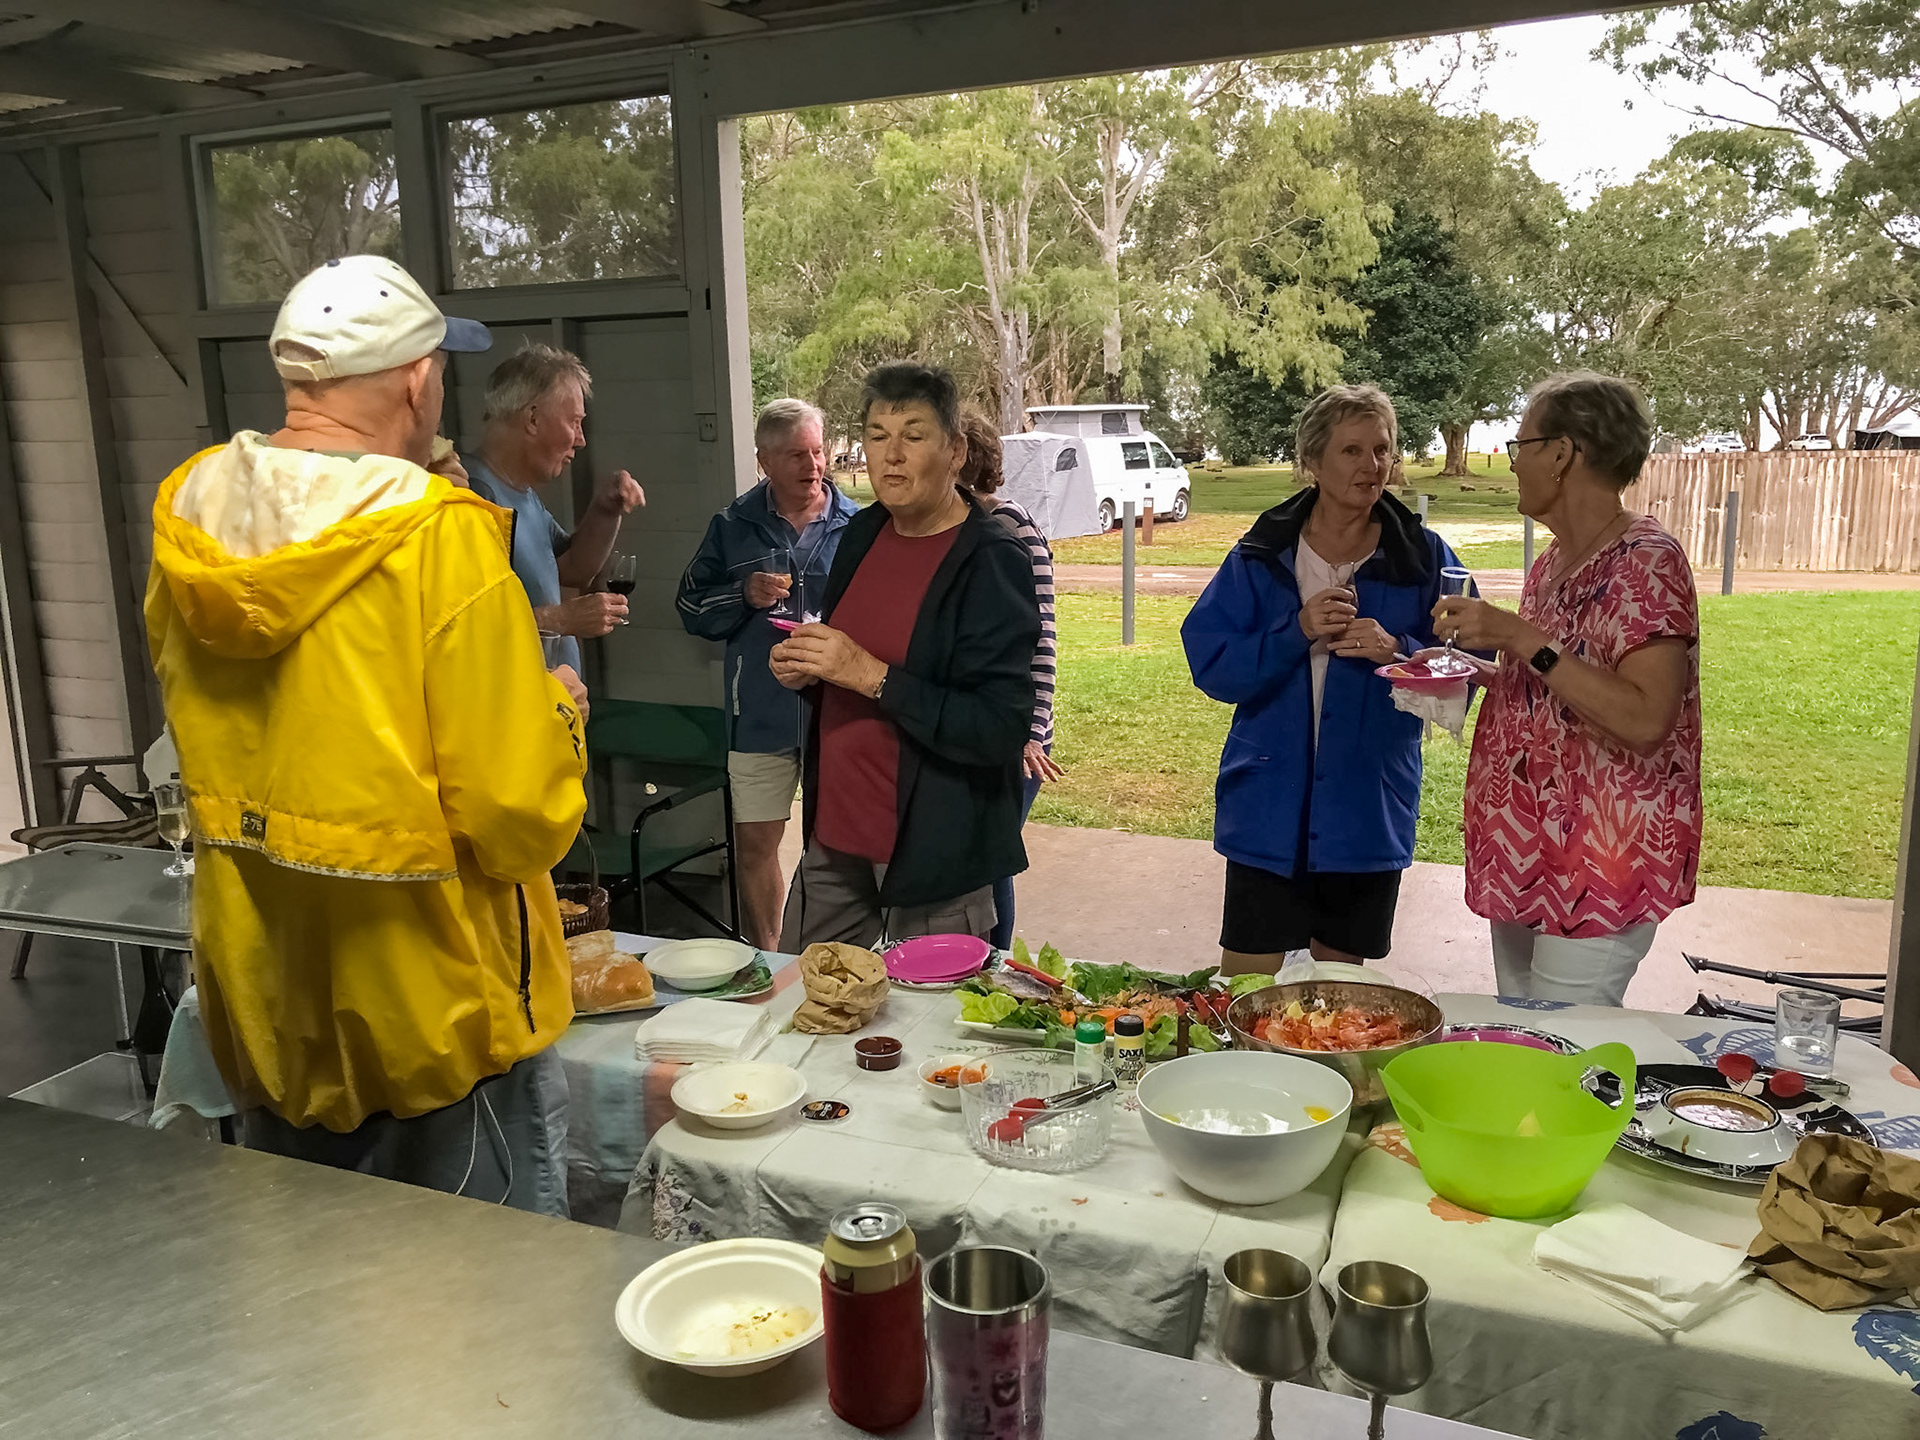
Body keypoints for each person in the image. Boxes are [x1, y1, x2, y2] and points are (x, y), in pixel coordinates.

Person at [145, 255, 589, 1214]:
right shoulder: (440, 540)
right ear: (417, 380)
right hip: (433, 1027)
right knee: (485, 1326)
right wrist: (556, 709)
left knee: (316, 1320)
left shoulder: (190, 518)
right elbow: (517, 816)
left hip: (266, 1018)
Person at [1436, 371, 1701, 1007]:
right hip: (1527, 850)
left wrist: (1520, 636)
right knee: (1526, 1036)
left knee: (1566, 1051)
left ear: (1561, 453)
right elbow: (1557, 689)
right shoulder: (1551, 565)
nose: (1513, 464)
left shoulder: (1647, 562)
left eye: (1519, 445)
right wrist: (1468, 670)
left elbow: (1644, 718)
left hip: (1599, 861)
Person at [1182, 384, 1462, 975]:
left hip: (1365, 806)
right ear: (1312, 460)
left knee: (1339, 997)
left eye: (1382, 449)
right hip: (1267, 804)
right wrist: (1295, 630)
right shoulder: (1261, 553)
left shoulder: (1425, 557)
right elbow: (1210, 661)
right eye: (1351, 451)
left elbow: (1468, 665)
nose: (1372, 466)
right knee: (1244, 988)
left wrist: (1399, 649)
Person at [771, 363, 1040, 949]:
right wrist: (808, 669)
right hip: (835, 834)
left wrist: (868, 674)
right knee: (804, 1005)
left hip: (933, 851)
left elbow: (997, 728)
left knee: (932, 1030)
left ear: (955, 450)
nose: (891, 455)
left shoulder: (992, 560)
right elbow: (843, 663)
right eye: (876, 435)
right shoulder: (863, 534)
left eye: (913, 435)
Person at [675, 398, 859, 952]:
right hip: (757, 714)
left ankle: (832, 958)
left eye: (817, 450)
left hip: (838, 715)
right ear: (765, 462)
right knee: (754, 844)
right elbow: (688, 607)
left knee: (839, 849)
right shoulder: (732, 527)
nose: (812, 464)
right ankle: (772, 957)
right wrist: (743, 594)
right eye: (796, 455)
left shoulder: (858, 527)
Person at [463, 343, 646, 676]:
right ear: (532, 418)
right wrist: (561, 619)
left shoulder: (521, 493)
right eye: (574, 422)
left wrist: (606, 509)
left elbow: (573, 569)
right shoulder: (471, 494)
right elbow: (466, 626)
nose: (580, 439)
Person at [958, 409, 1064, 950]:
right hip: (967, 730)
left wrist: (1030, 733)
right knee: (971, 859)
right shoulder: (949, 533)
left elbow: (1041, 640)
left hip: (1014, 737)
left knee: (990, 858)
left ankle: (994, 971)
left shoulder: (1009, 527)